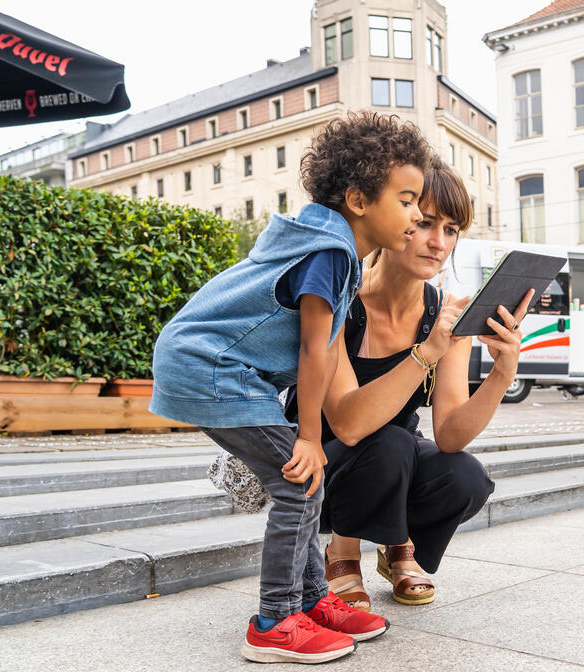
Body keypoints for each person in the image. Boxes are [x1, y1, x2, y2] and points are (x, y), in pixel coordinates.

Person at [149, 112, 433, 664]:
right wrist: (307, 437)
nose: (417, 213)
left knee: (302, 486)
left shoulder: (333, 247)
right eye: (405, 199)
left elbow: (325, 349)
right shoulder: (328, 251)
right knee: (300, 484)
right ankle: (275, 623)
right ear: (357, 198)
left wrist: (304, 437)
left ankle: (311, 601)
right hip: (211, 369)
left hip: (219, 369)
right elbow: (313, 348)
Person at [288, 160, 533, 610]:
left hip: (390, 467)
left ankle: (396, 547)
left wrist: (503, 371)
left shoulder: (443, 314)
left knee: (465, 476)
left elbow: (451, 435)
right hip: (319, 466)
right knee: (391, 444)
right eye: (424, 224)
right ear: (393, 219)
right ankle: (341, 552)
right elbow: (347, 423)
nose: (438, 242)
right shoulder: (340, 297)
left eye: (452, 229)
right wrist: (428, 351)